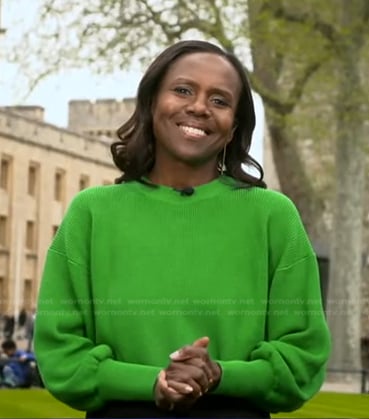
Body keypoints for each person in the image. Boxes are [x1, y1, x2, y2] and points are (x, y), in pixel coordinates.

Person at [34, 40, 331, 418]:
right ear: (151, 102)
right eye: (183, 90)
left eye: (220, 100)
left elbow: (301, 357)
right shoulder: (91, 213)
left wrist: (220, 374)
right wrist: (151, 382)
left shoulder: (273, 216)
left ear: (235, 125)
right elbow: (60, 354)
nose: (199, 107)